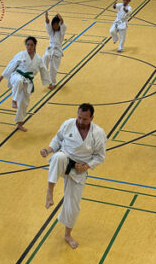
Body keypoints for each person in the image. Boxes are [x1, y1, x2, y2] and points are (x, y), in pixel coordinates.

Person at [40, 103, 107, 250]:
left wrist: (86, 166)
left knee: (73, 206)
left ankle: (67, 235)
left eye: (84, 119)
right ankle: (49, 192)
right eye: (79, 117)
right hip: (65, 162)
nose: (81, 121)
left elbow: (100, 157)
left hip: (79, 170)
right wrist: (48, 149)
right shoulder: (68, 124)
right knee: (58, 157)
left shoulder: (98, 133)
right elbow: (57, 140)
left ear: (92, 118)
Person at [0, 36, 42, 131]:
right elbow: (11, 64)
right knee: (19, 80)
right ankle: (14, 100)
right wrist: (2, 76)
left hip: (28, 81)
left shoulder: (38, 59)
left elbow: (43, 70)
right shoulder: (21, 54)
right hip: (16, 75)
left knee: (24, 103)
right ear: (25, 45)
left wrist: (49, 82)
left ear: (35, 46)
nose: (29, 47)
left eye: (31, 45)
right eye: (27, 45)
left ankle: (19, 123)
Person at [39, 12, 66, 90]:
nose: (55, 26)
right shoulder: (51, 32)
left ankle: (53, 83)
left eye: (57, 24)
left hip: (57, 51)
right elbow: (48, 26)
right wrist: (47, 19)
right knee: (45, 57)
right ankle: (46, 78)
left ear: (59, 25)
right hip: (50, 49)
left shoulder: (61, 33)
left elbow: (63, 26)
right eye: (53, 24)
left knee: (53, 69)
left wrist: (61, 19)